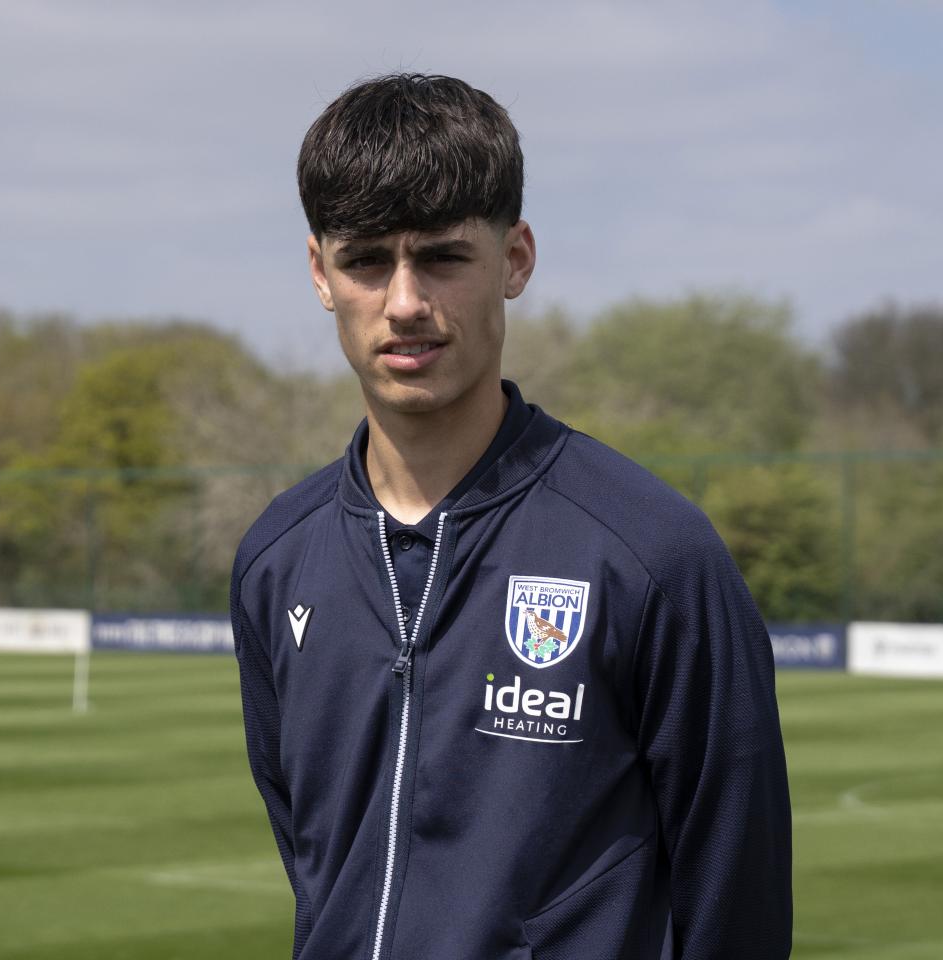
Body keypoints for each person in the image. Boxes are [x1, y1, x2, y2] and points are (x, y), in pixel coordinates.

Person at [231, 73, 792, 960]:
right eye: (366, 261)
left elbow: (738, 909)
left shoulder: (653, 556)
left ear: (516, 258)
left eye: (443, 258)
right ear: (319, 274)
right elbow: (314, 868)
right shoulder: (277, 559)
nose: (405, 302)